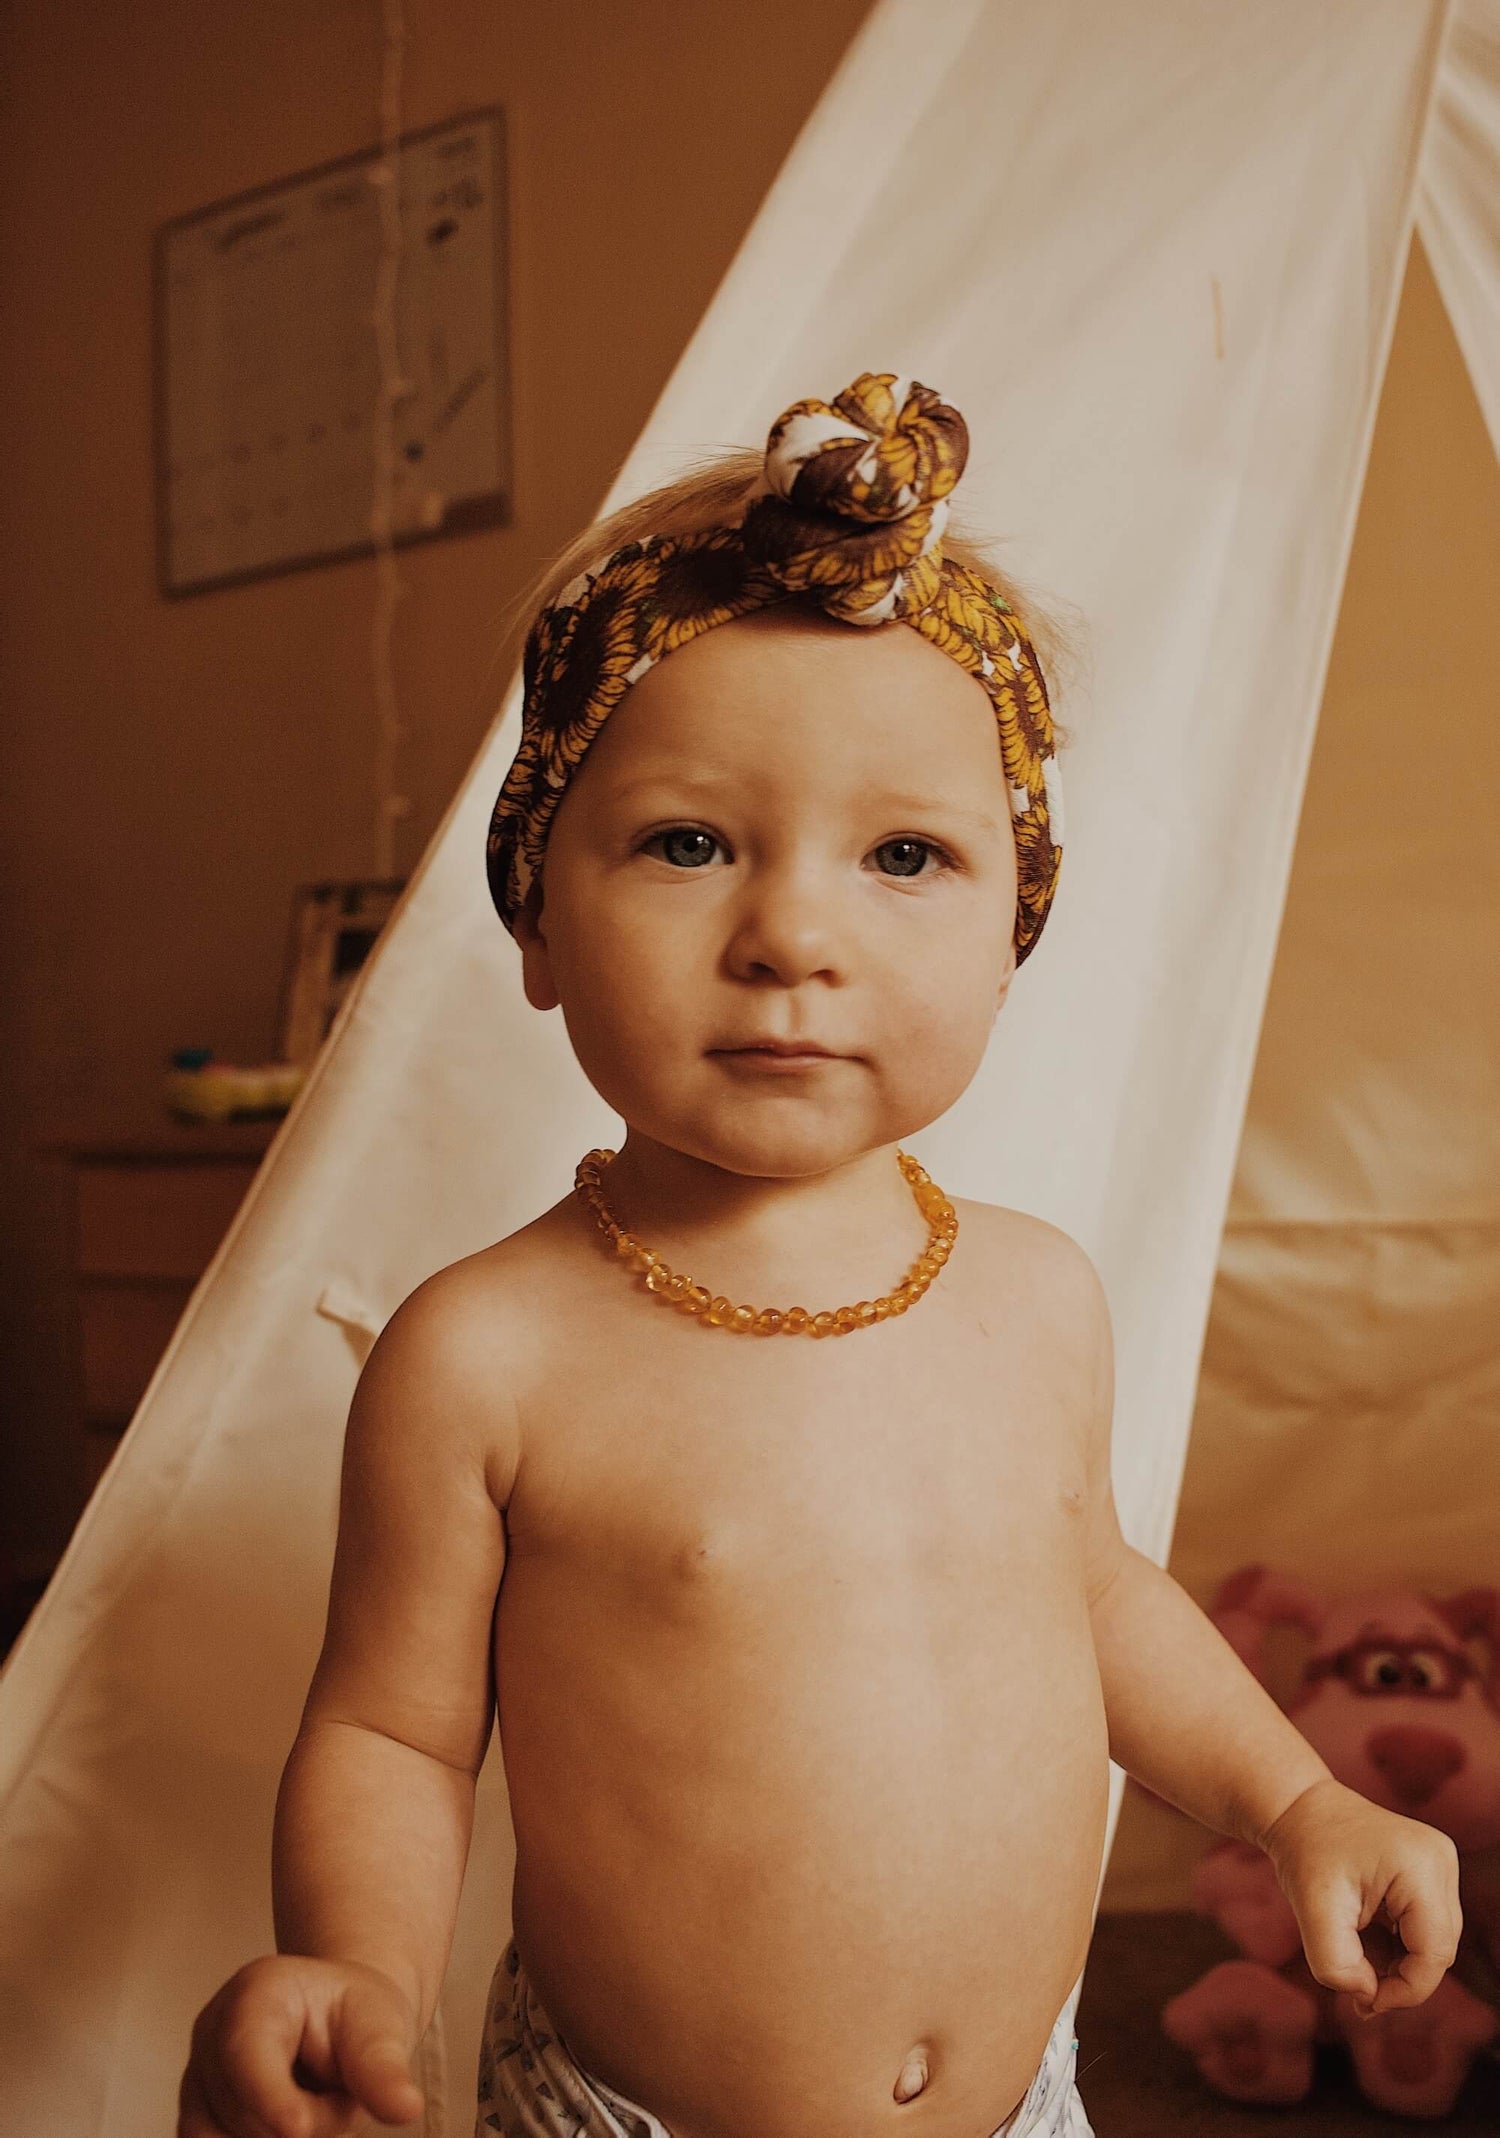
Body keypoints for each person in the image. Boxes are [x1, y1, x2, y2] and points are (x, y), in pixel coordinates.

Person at [178, 374, 1461, 2138]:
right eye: (689, 842)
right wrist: (357, 1970)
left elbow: (1098, 1595)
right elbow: (395, 1734)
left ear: (1014, 933)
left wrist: (1300, 1799)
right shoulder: (484, 1352)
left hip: (1032, 2104)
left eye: (906, 855)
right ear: (538, 912)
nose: (792, 930)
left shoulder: (1034, 1292)